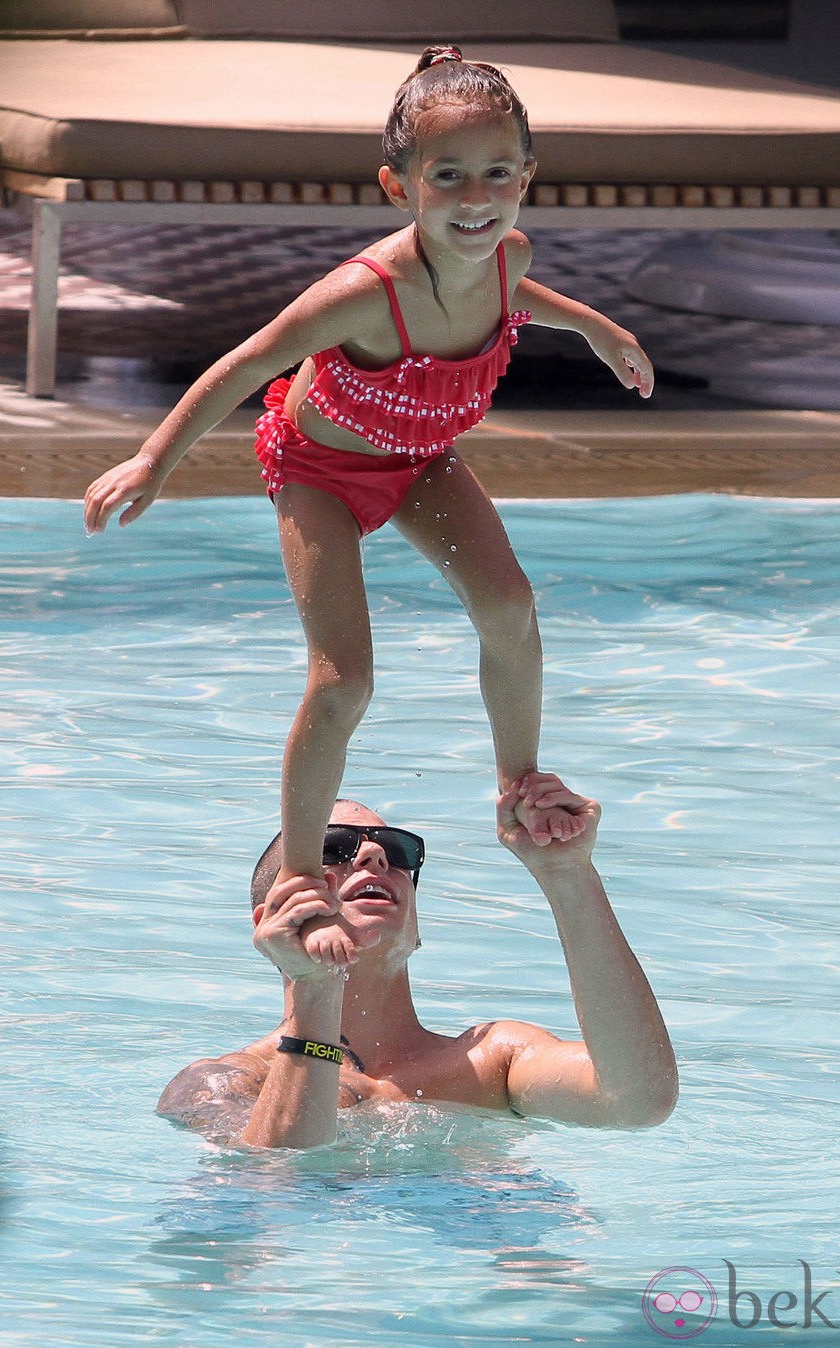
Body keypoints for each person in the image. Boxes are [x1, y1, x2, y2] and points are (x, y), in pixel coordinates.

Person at [84, 46, 654, 966]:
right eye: (449, 177)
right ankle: (302, 866)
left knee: (510, 609)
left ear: (528, 178)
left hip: (420, 460)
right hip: (320, 471)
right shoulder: (361, 294)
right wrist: (153, 461)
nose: (477, 197)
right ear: (399, 186)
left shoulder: (506, 254)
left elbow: (515, 292)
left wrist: (599, 327)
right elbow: (244, 363)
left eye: (499, 174)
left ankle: (518, 781)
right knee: (344, 678)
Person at [157, 778, 678, 1149]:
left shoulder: (491, 1063)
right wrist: (315, 987)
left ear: (418, 929)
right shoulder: (224, 1082)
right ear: (267, 918)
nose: (374, 858)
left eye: (398, 852)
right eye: (333, 847)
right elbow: (279, 1180)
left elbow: (637, 1103)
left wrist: (568, 873)